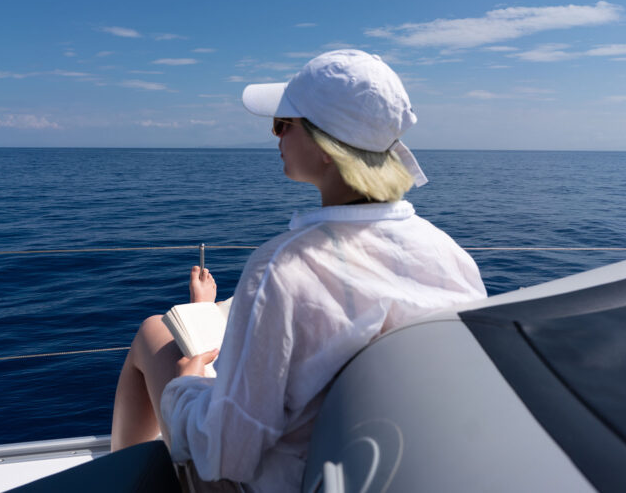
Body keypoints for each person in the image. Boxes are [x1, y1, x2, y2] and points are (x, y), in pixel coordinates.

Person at [110, 49, 487, 491]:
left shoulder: (281, 268)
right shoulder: (451, 257)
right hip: (386, 470)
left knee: (152, 333)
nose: (276, 137)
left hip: (277, 481)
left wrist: (182, 390)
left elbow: (225, 455)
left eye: (282, 124)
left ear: (326, 148)